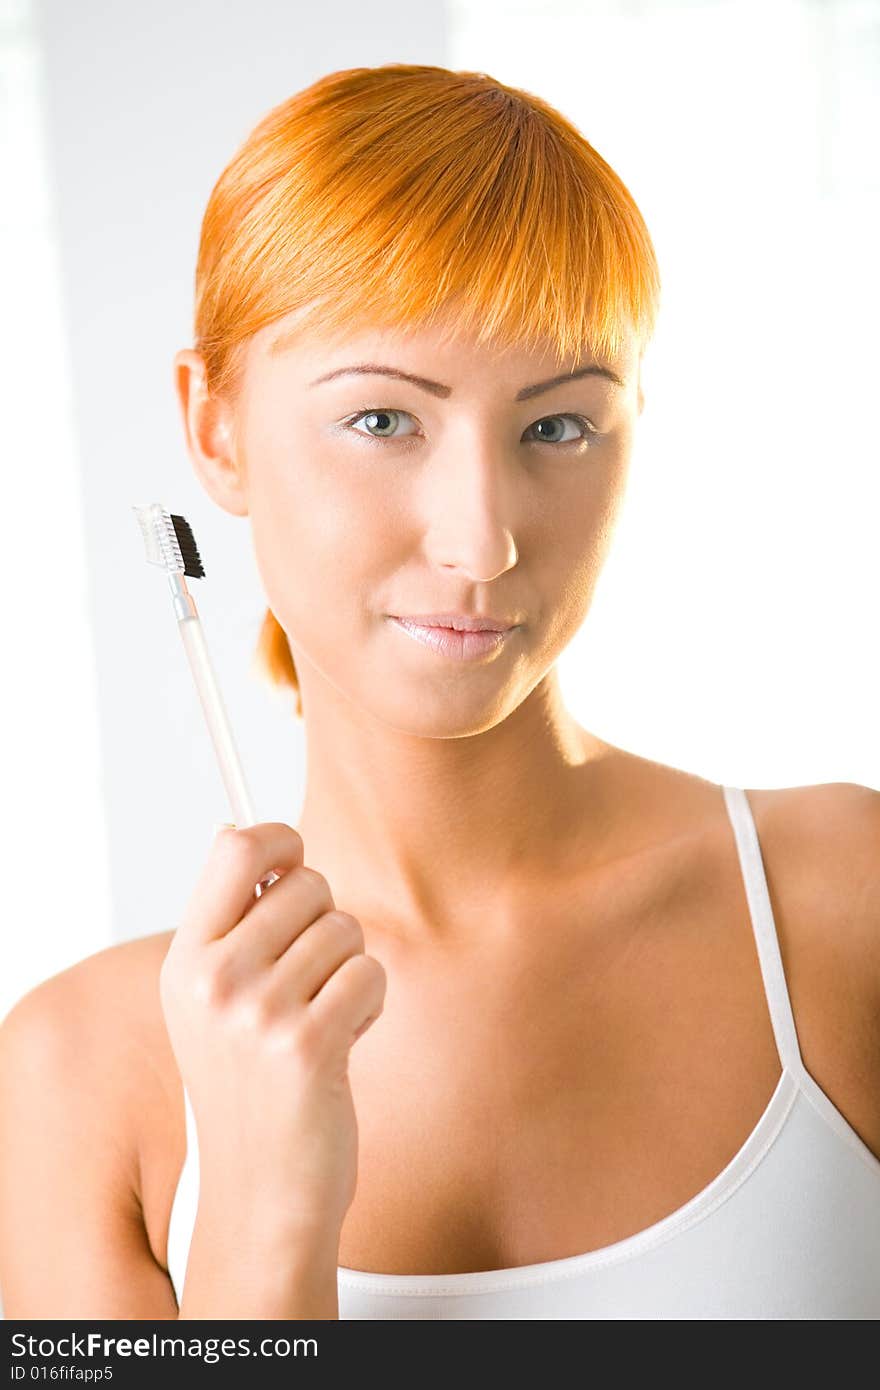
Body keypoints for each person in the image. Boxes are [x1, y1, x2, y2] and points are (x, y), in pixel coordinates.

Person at [1, 63, 878, 1322]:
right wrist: (259, 1213)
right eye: (382, 422)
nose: (482, 541)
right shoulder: (76, 1077)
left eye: (558, 427)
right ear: (215, 429)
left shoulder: (843, 908)